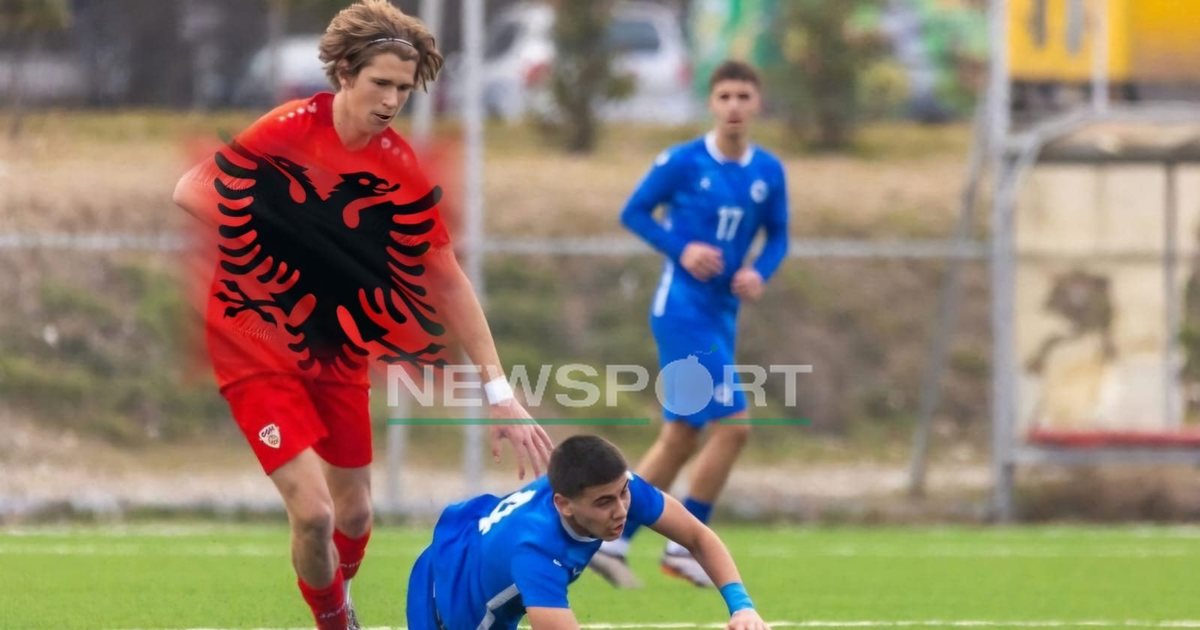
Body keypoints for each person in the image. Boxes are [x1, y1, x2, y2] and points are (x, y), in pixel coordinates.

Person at [172, 2, 553, 628]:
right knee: (315, 514)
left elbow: (448, 281)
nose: (392, 100)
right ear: (345, 74)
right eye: (381, 83)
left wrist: (500, 392)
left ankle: (335, 597)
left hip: (334, 344)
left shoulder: (398, 167)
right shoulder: (289, 128)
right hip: (253, 338)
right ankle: (336, 622)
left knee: (353, 517)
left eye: (404, 88)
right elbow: (191, 189)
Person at [591, 60, 789, 588]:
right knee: (735, 427)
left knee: (680, 436)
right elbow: (634, 212)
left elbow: (779, 235)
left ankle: (613, 540)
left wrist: (759, 272)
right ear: (711, 102)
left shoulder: (768, 171)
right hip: (681, 311)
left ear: (757, 103)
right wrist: (682, 249)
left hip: (722, 315)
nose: (734, 106)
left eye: (743, 96)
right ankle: (685, 547)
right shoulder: (682, 162)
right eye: (724, 96)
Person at [407, 434, 770, 630]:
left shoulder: (615, 486)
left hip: (466, 547)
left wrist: (743, 609)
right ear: (564, 504)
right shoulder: (537, 552)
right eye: (604, 502)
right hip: (450, 609)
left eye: (623, 493)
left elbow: (698, 538)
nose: (621, 510)